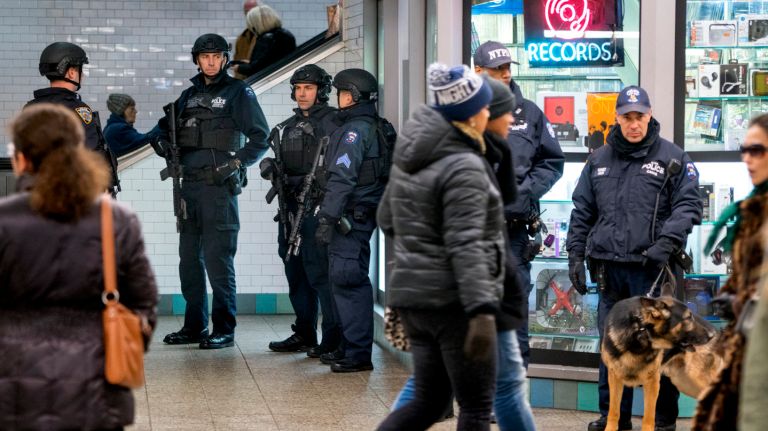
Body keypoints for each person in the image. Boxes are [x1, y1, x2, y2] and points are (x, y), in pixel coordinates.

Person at [388, 75, 535, 431]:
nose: (505, 118)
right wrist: (483, 311)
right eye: (487, 108)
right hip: (454, 301)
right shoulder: (464, 164)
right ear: (472, 115)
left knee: (428, 400)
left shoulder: (419, 153)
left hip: (415, 297)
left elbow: (386, 218)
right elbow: (467, 243)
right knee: (476, 407)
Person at [0, 103, 158, 430]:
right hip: (97, 394)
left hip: (14, 396)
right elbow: (143, 306)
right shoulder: (115, 219)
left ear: (22, 160)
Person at [566, 85, 702, 431]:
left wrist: (666, 243)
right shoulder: (598, 160)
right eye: (627, 117)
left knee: (664, 350)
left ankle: (662, 422)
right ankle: (614, 419)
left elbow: (689, 205)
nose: (634, 123)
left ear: (649, 114)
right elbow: (582, 211)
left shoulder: (672, 158)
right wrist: (575, 256)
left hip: (654, 272)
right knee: (612, 348)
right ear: (617, 118)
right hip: (610, 272)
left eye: (639, 116)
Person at [156, 33, 270, 349]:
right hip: (188, 188)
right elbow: (162, 129)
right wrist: (161, 142)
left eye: (216, 56)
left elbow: (261, 138)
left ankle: (224, 328)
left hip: (219, 189)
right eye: (204, 56)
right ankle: (194, 326)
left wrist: (234, 165)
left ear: (224, 59)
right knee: (189, 261)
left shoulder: (238, 93)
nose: (210, 61)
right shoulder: (188, 97)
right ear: (196, 59)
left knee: (219, 261)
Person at [474, 40, 565, 368]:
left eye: (507, 68)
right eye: (497, 70)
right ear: (478, 71)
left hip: (513, 233)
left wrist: (525, 192)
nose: (505, 74)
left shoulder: (529, 114)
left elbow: (552, 162)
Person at [264, 64, 343, 357]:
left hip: (318, 208)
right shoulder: (287, 126)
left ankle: (333, 337)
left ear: (321, 90)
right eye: (298, 88)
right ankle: (305, 332)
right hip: (290, 208)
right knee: (295, 271)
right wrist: (273, 169)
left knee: (320, 274)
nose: (302, 94)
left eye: (308, 88)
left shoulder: (334, 123)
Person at [313, 68, 387, 373]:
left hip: (350, 217)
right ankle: (347, 347)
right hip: (361, 214)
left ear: (353, 96)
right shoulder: (375, 126)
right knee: (344, 281)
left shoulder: (355, 131)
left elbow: (342, 178)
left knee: (348, 281)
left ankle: (357, 354)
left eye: (342, 93)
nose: (338, 99)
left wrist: (327, 217)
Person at [699, 113, 768, 430]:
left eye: (758, 150)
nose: (747, 159)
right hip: (749, 351)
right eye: (745, 149)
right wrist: (737, 301)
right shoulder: (753, 211)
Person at [27, 41, 120, 196]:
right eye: (80, 70)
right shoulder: (78, 110)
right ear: (70, 72)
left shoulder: (31, 108)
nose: (82, 75)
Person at [233, 5, 296, 79]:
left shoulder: (266, 38)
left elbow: (257, 69)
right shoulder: (286, 34)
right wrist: (251, 63)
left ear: (257, 24)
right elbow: (269, 61)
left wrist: (239, 68)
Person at [233, 0, 261, 80]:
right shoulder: (242, 38)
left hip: (261, 80)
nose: (249, 15)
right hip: (244, 82)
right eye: (247, 12)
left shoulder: (267, 37)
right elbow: (237, 61)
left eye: (253, 11)